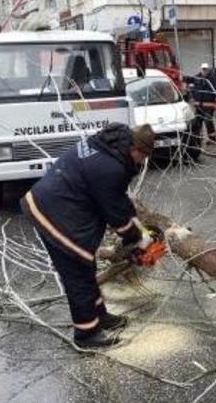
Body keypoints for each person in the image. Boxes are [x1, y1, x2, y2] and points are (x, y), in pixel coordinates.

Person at [21, 123, 156, 348]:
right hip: (55, 214)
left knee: (86, 266)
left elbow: (117, 198)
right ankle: (86, 335)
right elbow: (117, 216)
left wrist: (137, 226)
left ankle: (99, 316)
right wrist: (138, 238)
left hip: (53, 201)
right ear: (135, 149)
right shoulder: (110, 168)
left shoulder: (107, 145)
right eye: (141, 157)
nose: (140, 162)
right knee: (78, 275)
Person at [189, 63, 216, 145]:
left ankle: (212, 139)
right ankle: (197, 139)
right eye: (203, 69)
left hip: (209, 105)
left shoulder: (212, 80)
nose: (204, 71)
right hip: (199, 105)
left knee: (208, 121)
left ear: (208, 70)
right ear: (201, 69)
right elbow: (189, 81)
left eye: (206, 69)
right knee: (197, 123)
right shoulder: (196, 78)